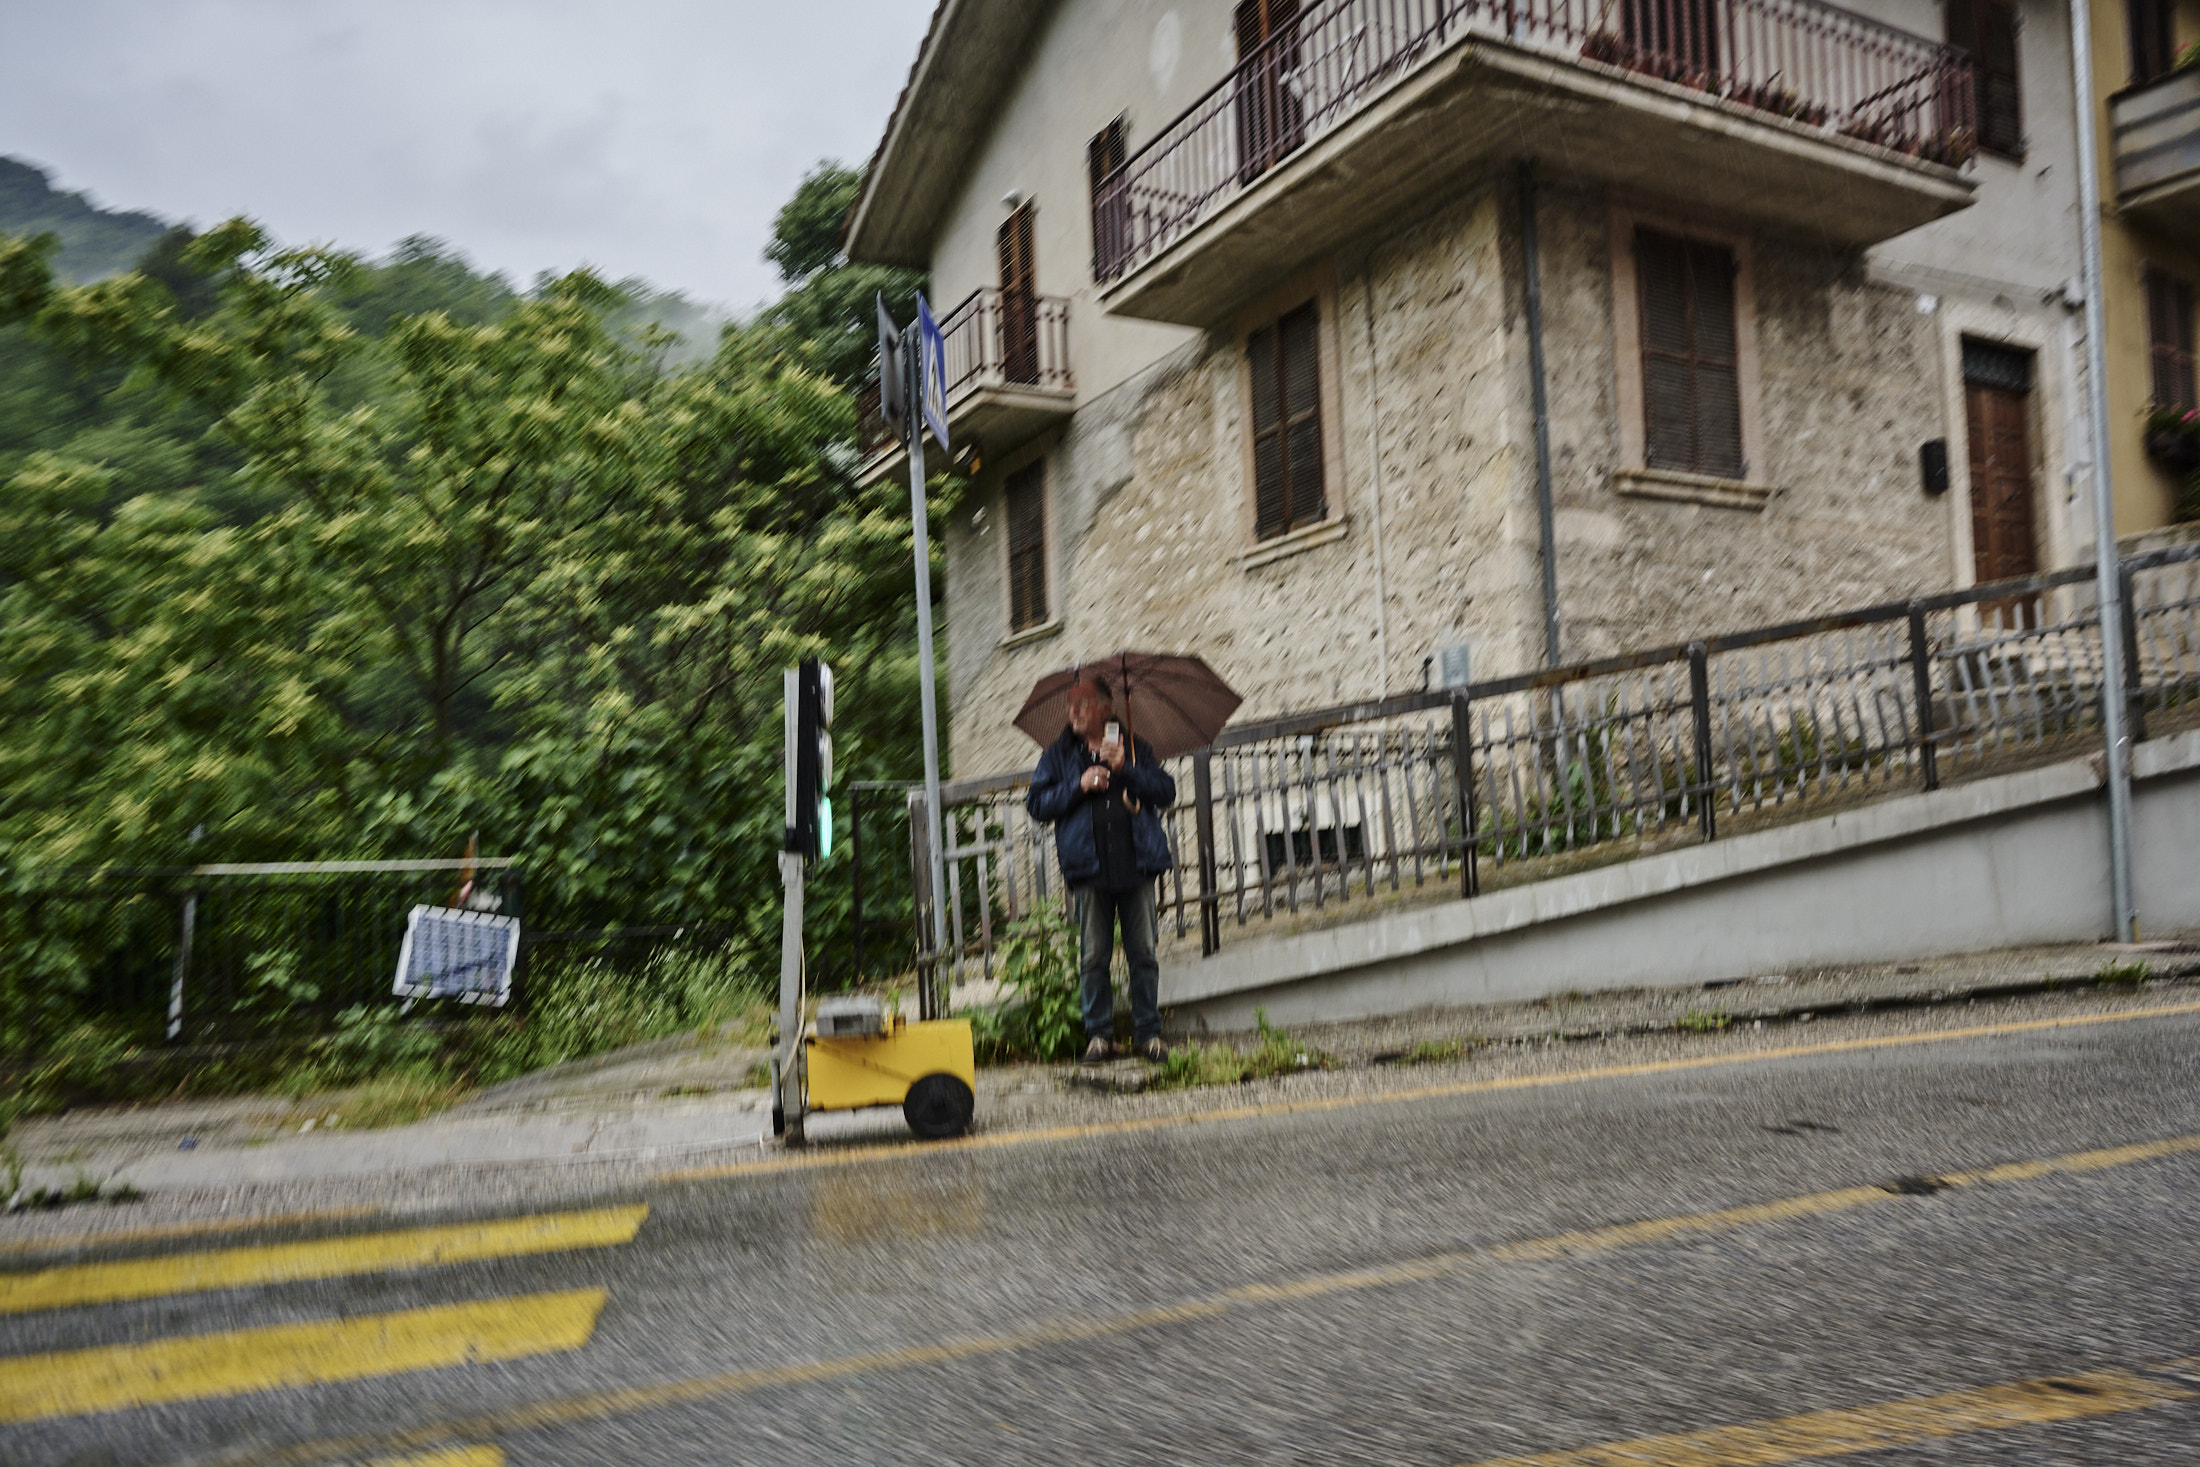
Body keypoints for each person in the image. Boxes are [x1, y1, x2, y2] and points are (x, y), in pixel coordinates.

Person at [1025, 675, 1177, 1064]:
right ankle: (1099, 1036)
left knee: (1143, 952)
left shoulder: (1133, 747)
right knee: (1093, 957)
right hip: (1089, 869)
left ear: (1105, 709)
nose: (1073, 711)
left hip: (1136, 864)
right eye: (1071, 704)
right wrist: (1078, 784)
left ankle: (1147, 1034)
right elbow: (1037, 805)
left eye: (1083, 703)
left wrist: (1127, 767)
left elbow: (1166, 792)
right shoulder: (1059, 755)